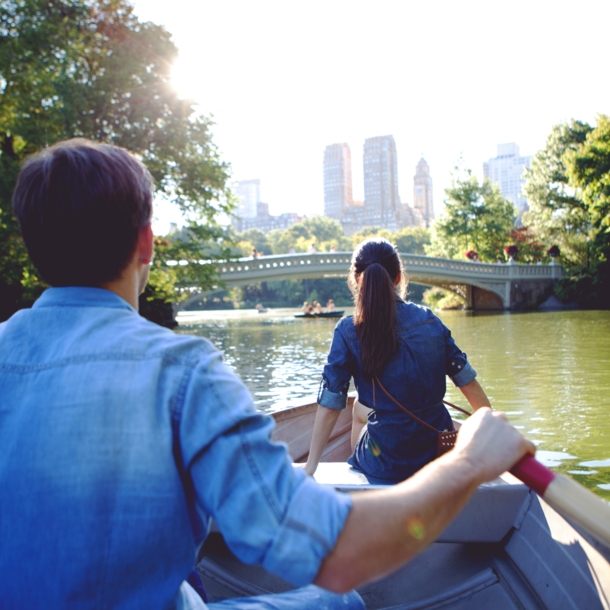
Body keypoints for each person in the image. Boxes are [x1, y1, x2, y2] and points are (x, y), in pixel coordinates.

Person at [0, 140, 533, 609]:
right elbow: (337, 557)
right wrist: (467, 463)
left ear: (32, 245)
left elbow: (332, 398)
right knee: (341, 600)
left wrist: (314, 461)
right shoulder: (184, 374)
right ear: (147, 243)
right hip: (416, 457)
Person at [306, 238, 495, 484]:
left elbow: (331, 404)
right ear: (397, 278)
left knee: (358, 410)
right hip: (437, 457)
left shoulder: (348, 330)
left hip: (385, 465)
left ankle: (359, 470)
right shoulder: (429, 320)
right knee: (367, 408)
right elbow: (467, 381)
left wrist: (310, 467)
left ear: (355, 279)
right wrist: (494, 437)